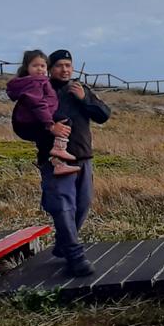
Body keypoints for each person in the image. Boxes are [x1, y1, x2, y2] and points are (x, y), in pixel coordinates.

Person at [38, 49, 112, 277]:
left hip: (83, 157)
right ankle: (75, 257)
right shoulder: (42, 91)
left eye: (68, 65)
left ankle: (63, 244)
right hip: (55, 159)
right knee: (63, 208)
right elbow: (24, 123)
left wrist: (85, 99)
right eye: (60, 65)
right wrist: (50, 128)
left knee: (83, 204)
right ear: (51, 68)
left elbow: (103, 115)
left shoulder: (80, 89)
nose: (65, 69)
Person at [6, 50, 80, 176]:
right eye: (35, 66)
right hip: (29, 123)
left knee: (49, 135)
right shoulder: (35, 83)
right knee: (63, 122)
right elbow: (38, 104)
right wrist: (50, 124)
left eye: (43, 66)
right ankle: (59, 151)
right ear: (27, 67)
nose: (39, 69)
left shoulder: (39, 81)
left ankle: (58, 162)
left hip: (27, 122)